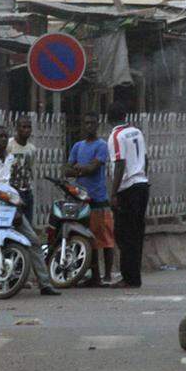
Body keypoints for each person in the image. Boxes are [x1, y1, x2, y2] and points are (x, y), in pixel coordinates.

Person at [0, 125, 60, 296]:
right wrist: (13, 204)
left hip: (8, 204)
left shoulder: (10, 159)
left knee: (33, 239)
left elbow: (9, 185)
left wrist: (17, 204)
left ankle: (45, 283)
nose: (3, 139)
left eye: (5, 136)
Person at [66, 111, 116, 286]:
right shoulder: (77, 146)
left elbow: (93, 168)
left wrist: (79, 168)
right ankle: (94, 275)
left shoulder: (101, 145)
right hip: (81, 200)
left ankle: (108, 275)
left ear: (97, 124)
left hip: (98, 198)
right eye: (86, 123)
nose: (89, 126)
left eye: (92, 123)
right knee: (90, 239)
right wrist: (81, 169)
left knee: (106, 239)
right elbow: (66, 170)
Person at [107, 102, 149, 288]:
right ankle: (135, 277)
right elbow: (146, 159)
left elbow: (119, 164)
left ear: (108, 118)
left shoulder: (115, 136)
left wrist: (113, 192)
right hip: (142, 185)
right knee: (137, 234)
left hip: (128, 189)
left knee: (123, 234)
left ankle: (128, 277)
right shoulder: (136, 131)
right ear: (125, 116)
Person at [7, 115, 38, 225]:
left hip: (27, 192)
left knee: (27, 225)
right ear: (17, 128)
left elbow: (31, 169)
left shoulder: (32, 149)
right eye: (23, 127)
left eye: (29, 127)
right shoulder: (9, 145)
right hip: (11, 192)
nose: (26, 130)